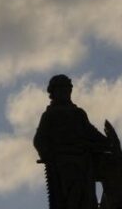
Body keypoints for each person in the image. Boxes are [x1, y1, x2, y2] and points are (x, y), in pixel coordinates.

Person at [35, 74, 110, 209]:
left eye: (67, 89)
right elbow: (39, 140)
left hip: (84, 162)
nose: (65, 93)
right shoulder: (50, 115)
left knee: (87, 198)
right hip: (64, 163)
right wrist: (49, 156)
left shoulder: (78, 113)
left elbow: (90, 131)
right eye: (61, 89)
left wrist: (107, 142)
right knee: (71, 197)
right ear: (53, 93)